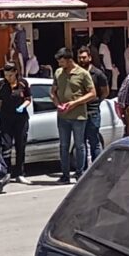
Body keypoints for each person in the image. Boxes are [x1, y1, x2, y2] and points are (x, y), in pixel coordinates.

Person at [50, 48, 96, 184]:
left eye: (62, 61)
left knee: (79, 145)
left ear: (69, 60)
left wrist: (74, 103)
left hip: (78, 116)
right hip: (63, 116)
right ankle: (65, 175)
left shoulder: (83, 73)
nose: (59, 64)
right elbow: (53, 92)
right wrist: (57, 104)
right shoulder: (58, 73)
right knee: (63, 145)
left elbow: (92, 93)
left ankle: (79, 174)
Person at [0, 62, 31, 184]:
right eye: (6, 75)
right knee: (6, 145)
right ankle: (7, 172)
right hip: (6, 118)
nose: (8, 78)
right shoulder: (1, 84)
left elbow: (28, 99)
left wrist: (22, 106)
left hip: (20, 119)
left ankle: (20, 173)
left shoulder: (23, 83)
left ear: (15, 72)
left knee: (20, 145)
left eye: (10, 75)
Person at [76, 46, 109, 167]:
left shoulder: (98, 74)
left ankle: (97, 168)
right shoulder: (76, 73)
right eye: (80, 58)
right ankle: (83, 170)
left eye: (84, 57)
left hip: (92, 112)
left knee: (94, 141)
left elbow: (105, 92)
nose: (82, 60)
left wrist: (96, 101)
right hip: (78, 112)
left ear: (90, 58)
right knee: (80, 142)